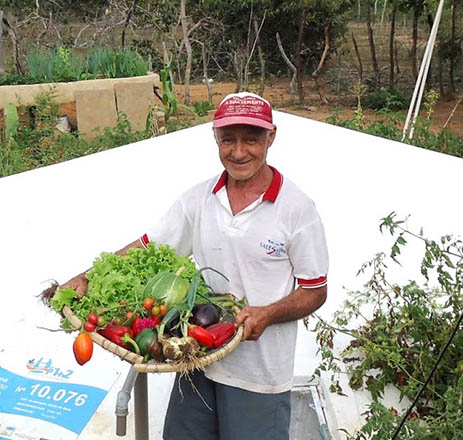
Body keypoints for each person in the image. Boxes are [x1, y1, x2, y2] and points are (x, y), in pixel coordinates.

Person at [61, 92, 329, 440]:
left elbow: (315, 290)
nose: (238, 151)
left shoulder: (296, 209)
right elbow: (148, 246)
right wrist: (87, 276)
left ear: (271, 137)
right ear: (215, 138)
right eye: (227, 139)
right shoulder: (199, 199)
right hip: (197, 362)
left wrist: (267, 313)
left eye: (251, 139)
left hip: (258, 374)